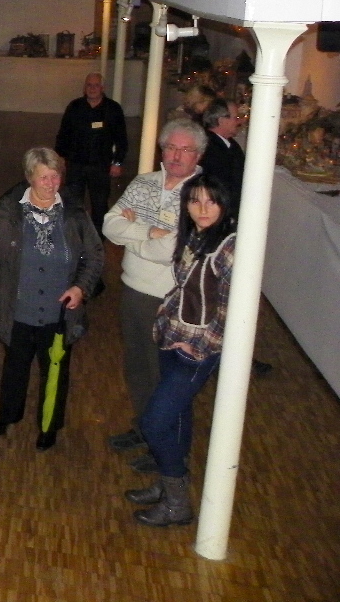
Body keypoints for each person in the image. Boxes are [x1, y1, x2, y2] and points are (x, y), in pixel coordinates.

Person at [0, 148, 103, 450]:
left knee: (55, 371)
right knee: (15, 367)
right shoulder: (8, 212)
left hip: (59, 314)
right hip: (17, 308)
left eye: (55, 176)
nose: (51, 183)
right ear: (29, 177)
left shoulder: (74, 213)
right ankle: (8, 415)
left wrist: (80, 288)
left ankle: (49, 425)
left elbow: (95, 255)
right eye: (44, 177)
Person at [125, 174, 236, 528]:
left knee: (155, 421)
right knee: (176, 417)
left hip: (196, 350)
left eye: (211, 201)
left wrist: (198, 346)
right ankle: (169, 484)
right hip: (174, 338)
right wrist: (167, 326)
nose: (202, 209)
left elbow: (229, 310)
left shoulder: (230, 247)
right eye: (195, 200)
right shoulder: (194, 236)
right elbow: (184, 287)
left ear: (224, 204)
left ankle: (177, 503)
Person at [102, 118, 206, 465]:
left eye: (185, 149)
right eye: (171, 147)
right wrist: (151, 232)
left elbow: (174, 251)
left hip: (171, 299)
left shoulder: (202, 195)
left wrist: (134, 229)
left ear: (198, 155)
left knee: (165, 377)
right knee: (137, 367)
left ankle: (165, 446)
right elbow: (110, 225)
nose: (176, 155)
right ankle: (146, 428)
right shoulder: (143, 182)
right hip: (133, 289)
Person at [54, 72, 129, 234]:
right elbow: (64, 134)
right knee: (73, 203)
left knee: (100, 205)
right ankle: (74, 235)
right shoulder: (74, 107)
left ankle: (98, 238)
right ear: (84, 87)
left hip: (100, 166)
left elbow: (121, 139)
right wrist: (59, 158)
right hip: (76, 165)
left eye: (96, 85)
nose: (92, 88)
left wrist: (117, 162)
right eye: (89, 85)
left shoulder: (113, 109)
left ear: (102, 88)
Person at [200, 99, 245, 215]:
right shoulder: (208, 147)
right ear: (221, 120)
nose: (239, 121)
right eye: (236, 118)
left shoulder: (230, 144)